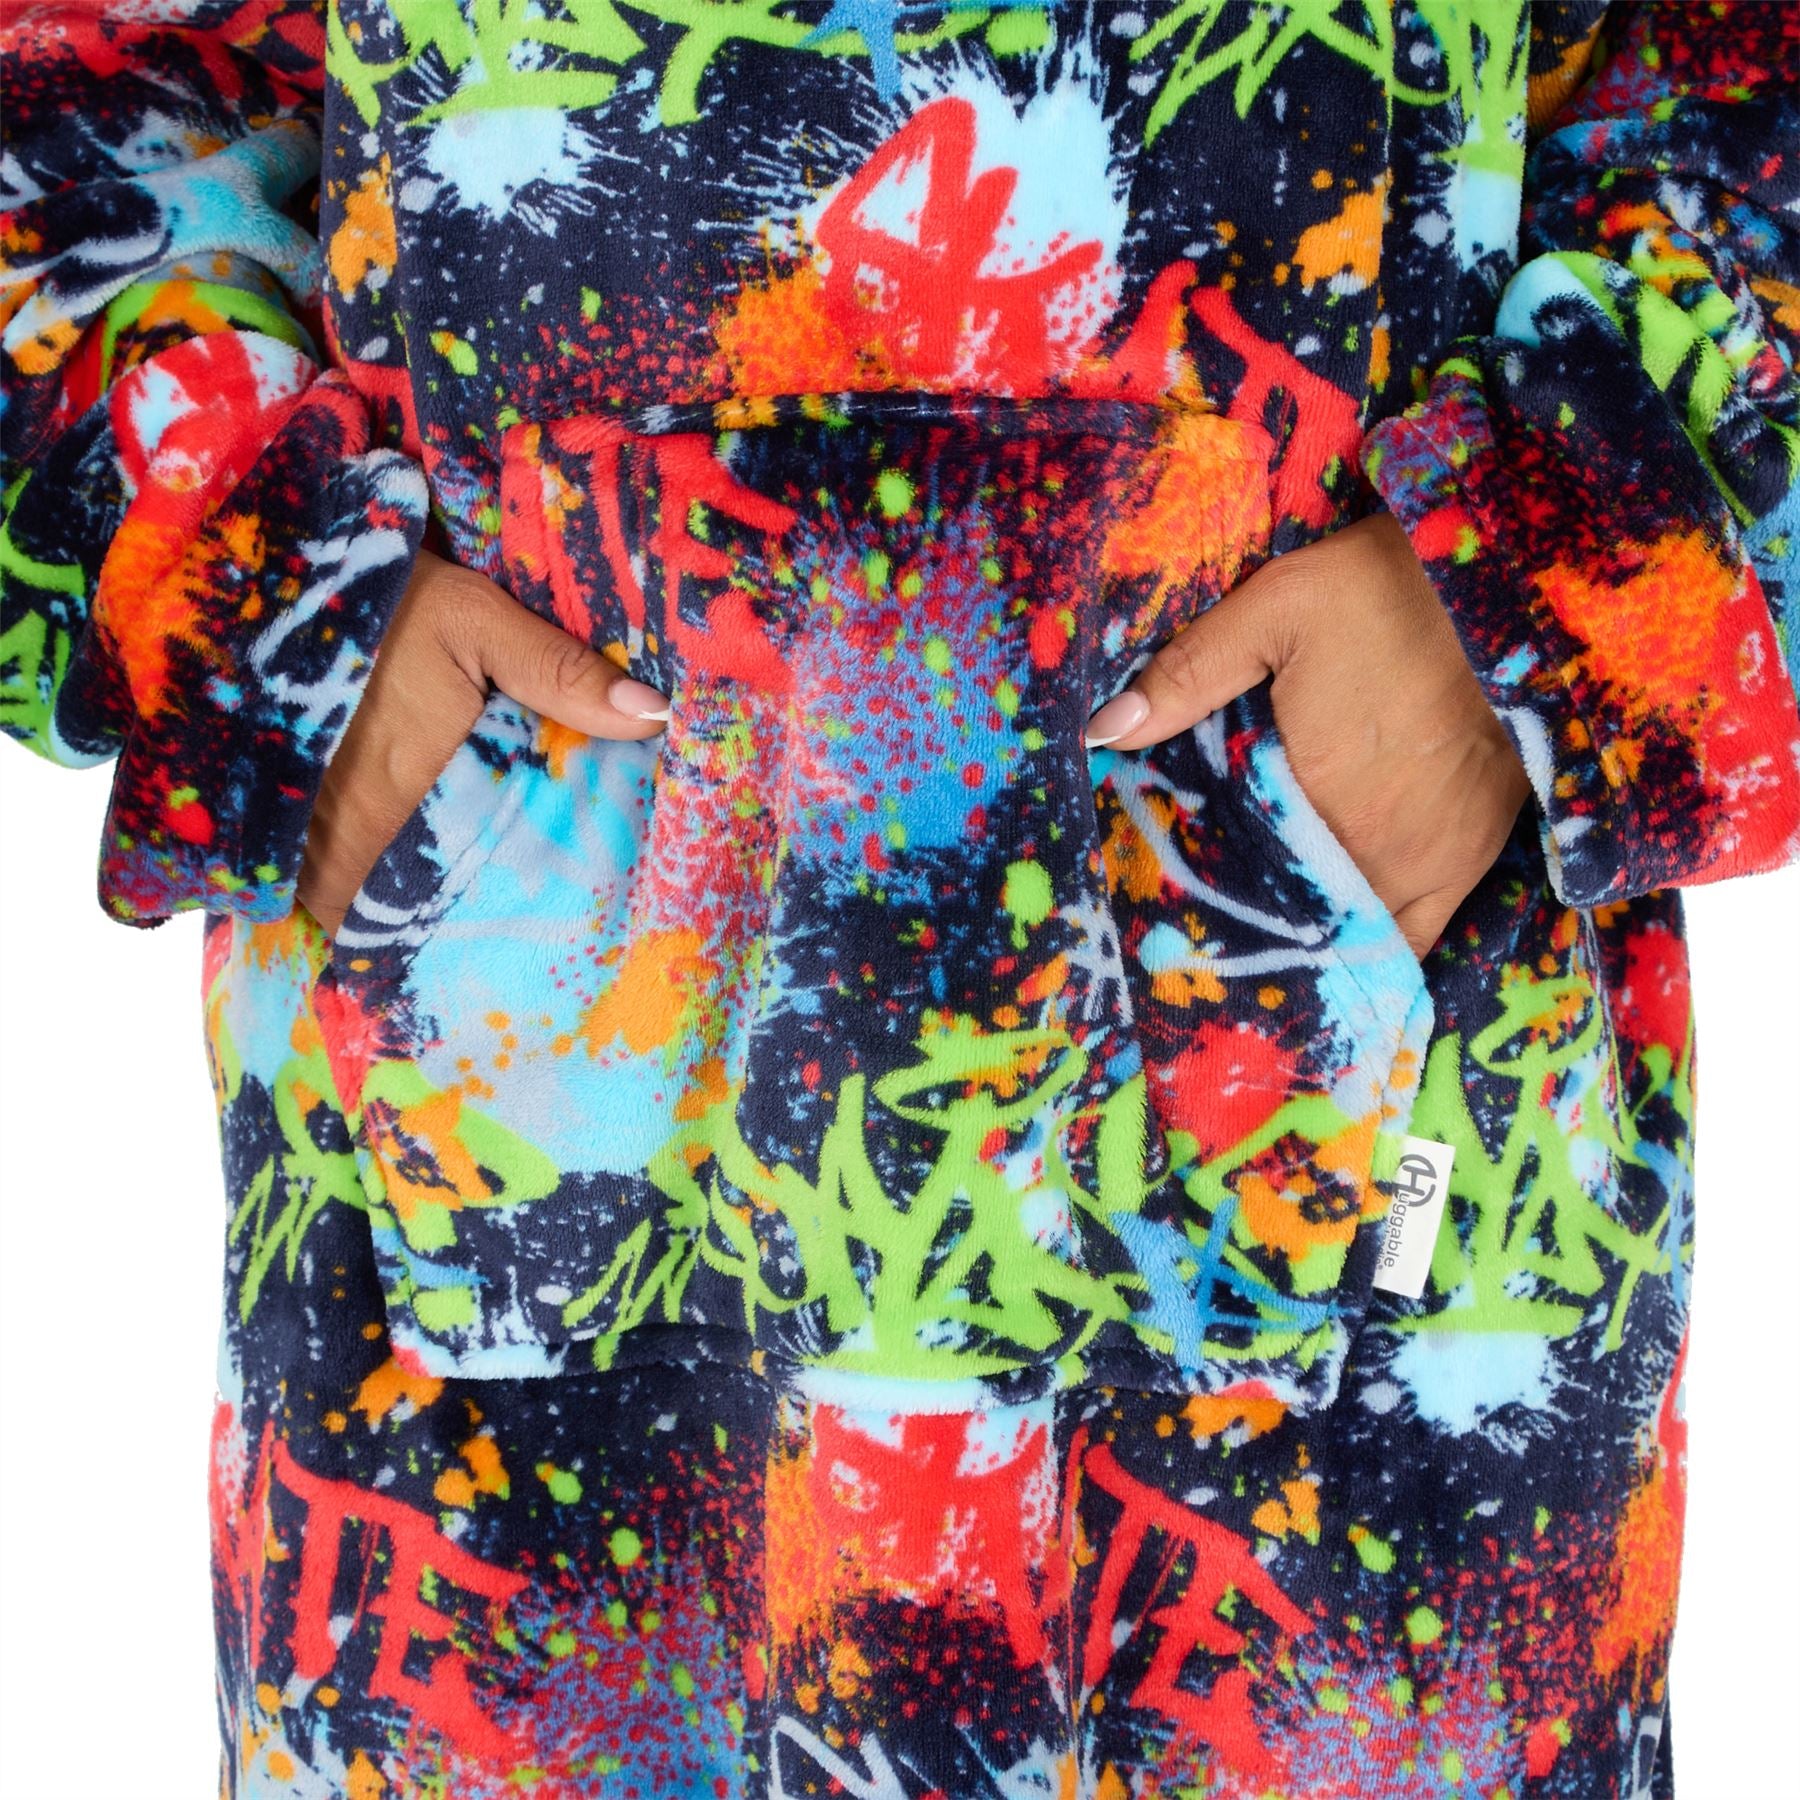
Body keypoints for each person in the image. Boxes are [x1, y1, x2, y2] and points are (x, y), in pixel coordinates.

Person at [3, 0, 1795, 1793]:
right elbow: (73, 77)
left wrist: (1545, 564)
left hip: (1362, 1028)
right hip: (519, 1040)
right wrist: (266, 589)